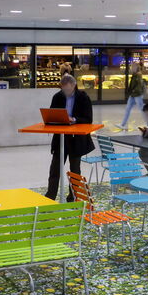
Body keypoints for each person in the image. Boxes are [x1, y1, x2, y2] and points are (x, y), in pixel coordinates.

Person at [45, 74, 94, 202]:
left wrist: (75, 119)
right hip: (60, 138)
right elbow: (51, 115)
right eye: (63, 89)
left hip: (76, 139)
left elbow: (88, 119)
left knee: (75, 169)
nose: (65, 92)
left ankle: (73, 196)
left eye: (67, 89)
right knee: (55, 168)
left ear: (73, 86)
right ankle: (50, 195)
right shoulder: (57, 96)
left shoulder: (83, 97)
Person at [116, 62, 145, 130]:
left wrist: (134, 91)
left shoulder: (138, 75)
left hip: (137, 95)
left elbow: (139, 85)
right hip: (133, 95)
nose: (131, 68)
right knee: (128, 109)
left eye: (133, 67)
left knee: (142, 109)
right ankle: (122, 124)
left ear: (136, 68)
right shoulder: (134, 75)